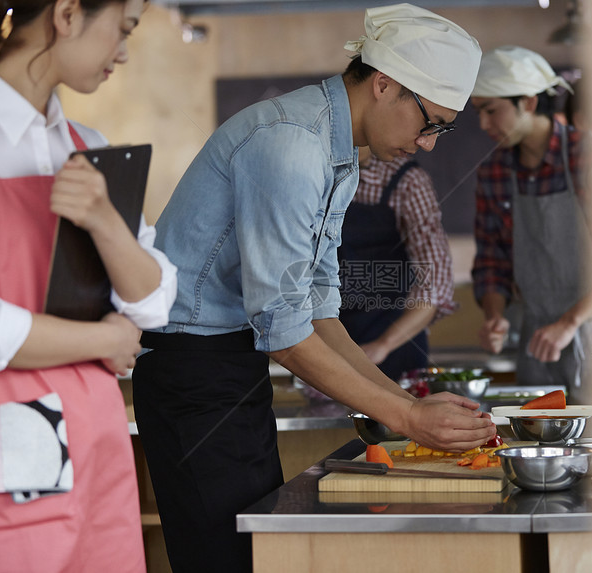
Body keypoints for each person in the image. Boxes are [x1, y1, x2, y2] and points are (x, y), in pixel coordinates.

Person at [132, 4, 495, 571]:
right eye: (430, 123)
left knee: (255, 551)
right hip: (192, 375)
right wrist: (408, 420)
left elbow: (319, 306)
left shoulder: (338, 155)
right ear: (384, 85)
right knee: (222, 558)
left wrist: (407, 404)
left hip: (232, 371)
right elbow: (283, 329)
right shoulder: (291, 144)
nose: (429, 144)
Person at [0, 0, 177, 569]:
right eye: (123, 28)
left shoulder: (85, 143)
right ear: (66, 15)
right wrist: (104, 342)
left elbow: (155, 300)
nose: (123, 51)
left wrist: (104, 220)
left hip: (96, 444)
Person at [469, 46, 592, 405]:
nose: (483, 125)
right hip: (537, 344)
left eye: (491, 110)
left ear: (528, 103)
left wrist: (571, 322)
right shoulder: (494, 171)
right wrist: (495, 316)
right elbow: (492, 260)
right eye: (478, 113)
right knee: (542, 442)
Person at [338, 145, 457, 381]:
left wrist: (383, 344)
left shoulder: (407, 182)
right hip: (338, 337)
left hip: (395, 345)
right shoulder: (324, 175)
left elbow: (433, 288)